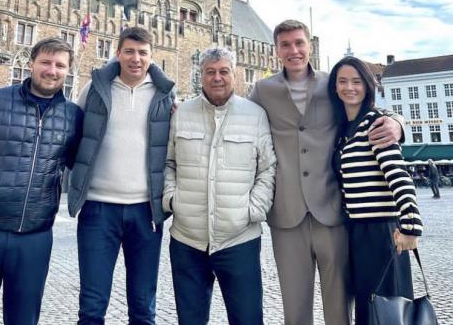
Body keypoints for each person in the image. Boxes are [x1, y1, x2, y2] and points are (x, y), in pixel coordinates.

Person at [248, 20, 403, 325]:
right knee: (295, 307)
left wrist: (397, 122)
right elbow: (237, 117)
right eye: (286, 45)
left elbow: (366, 106)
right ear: (276, 50)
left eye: (299, 43)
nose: (293, 50)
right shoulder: (263, 90)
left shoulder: (331, 83)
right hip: (287, 215)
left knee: (338, 306)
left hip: (331, 210)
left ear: (309, 45)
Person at [0, 37, 83, 325]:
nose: (52, 70)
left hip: (34, 238)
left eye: (60, 65)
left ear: (68, 71)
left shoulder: (73, 116)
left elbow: (83, 162)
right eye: (46, 62)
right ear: (31, 63)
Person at [67, 27, 175, 325]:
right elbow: (72, 137)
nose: (136, 59)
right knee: (92, 305)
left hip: (146, 213)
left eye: (142, 53)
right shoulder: (95, 89)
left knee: (143, 307)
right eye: (129, 51)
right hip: (98, 209)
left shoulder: (166, 95)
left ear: (152, 57)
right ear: (118, 53)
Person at [163, 48, 276, 325]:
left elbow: (268, 168)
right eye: (210, 72)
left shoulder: (256, 115)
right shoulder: (182, 113)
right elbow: (168, 163)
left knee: (247, 319)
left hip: (239, 240)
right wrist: (172, 199)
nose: (217, 78)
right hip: (187, 240)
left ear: (234, 74)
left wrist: (253, 209)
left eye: (223, 71)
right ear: (200, 76)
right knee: (190, 320)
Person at [328, 56, 422, 325]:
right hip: (357, 232)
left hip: (382, 232)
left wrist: (411, 226)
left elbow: (398, 174)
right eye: (343, 81)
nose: (350, 87)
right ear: (335, 87)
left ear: (367, 86)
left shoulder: (375, 124)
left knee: (389, 309)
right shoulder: (344, 129)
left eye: (357, 81)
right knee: (369, 310)